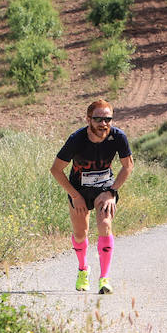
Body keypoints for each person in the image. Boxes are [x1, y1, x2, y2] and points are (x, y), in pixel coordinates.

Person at [50, 99, 134, 294]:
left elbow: (128, 166)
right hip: (78, 189)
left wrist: (112, 191)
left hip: (104, 188)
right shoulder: (76, 139)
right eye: (98, 119)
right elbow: (55, 170)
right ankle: (83, 269)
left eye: (107, 119)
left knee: (105, 224)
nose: (103, 124)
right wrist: (75, 195)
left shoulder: (118, 137)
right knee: (80, 233)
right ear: (88, 119)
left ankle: (104, 278)